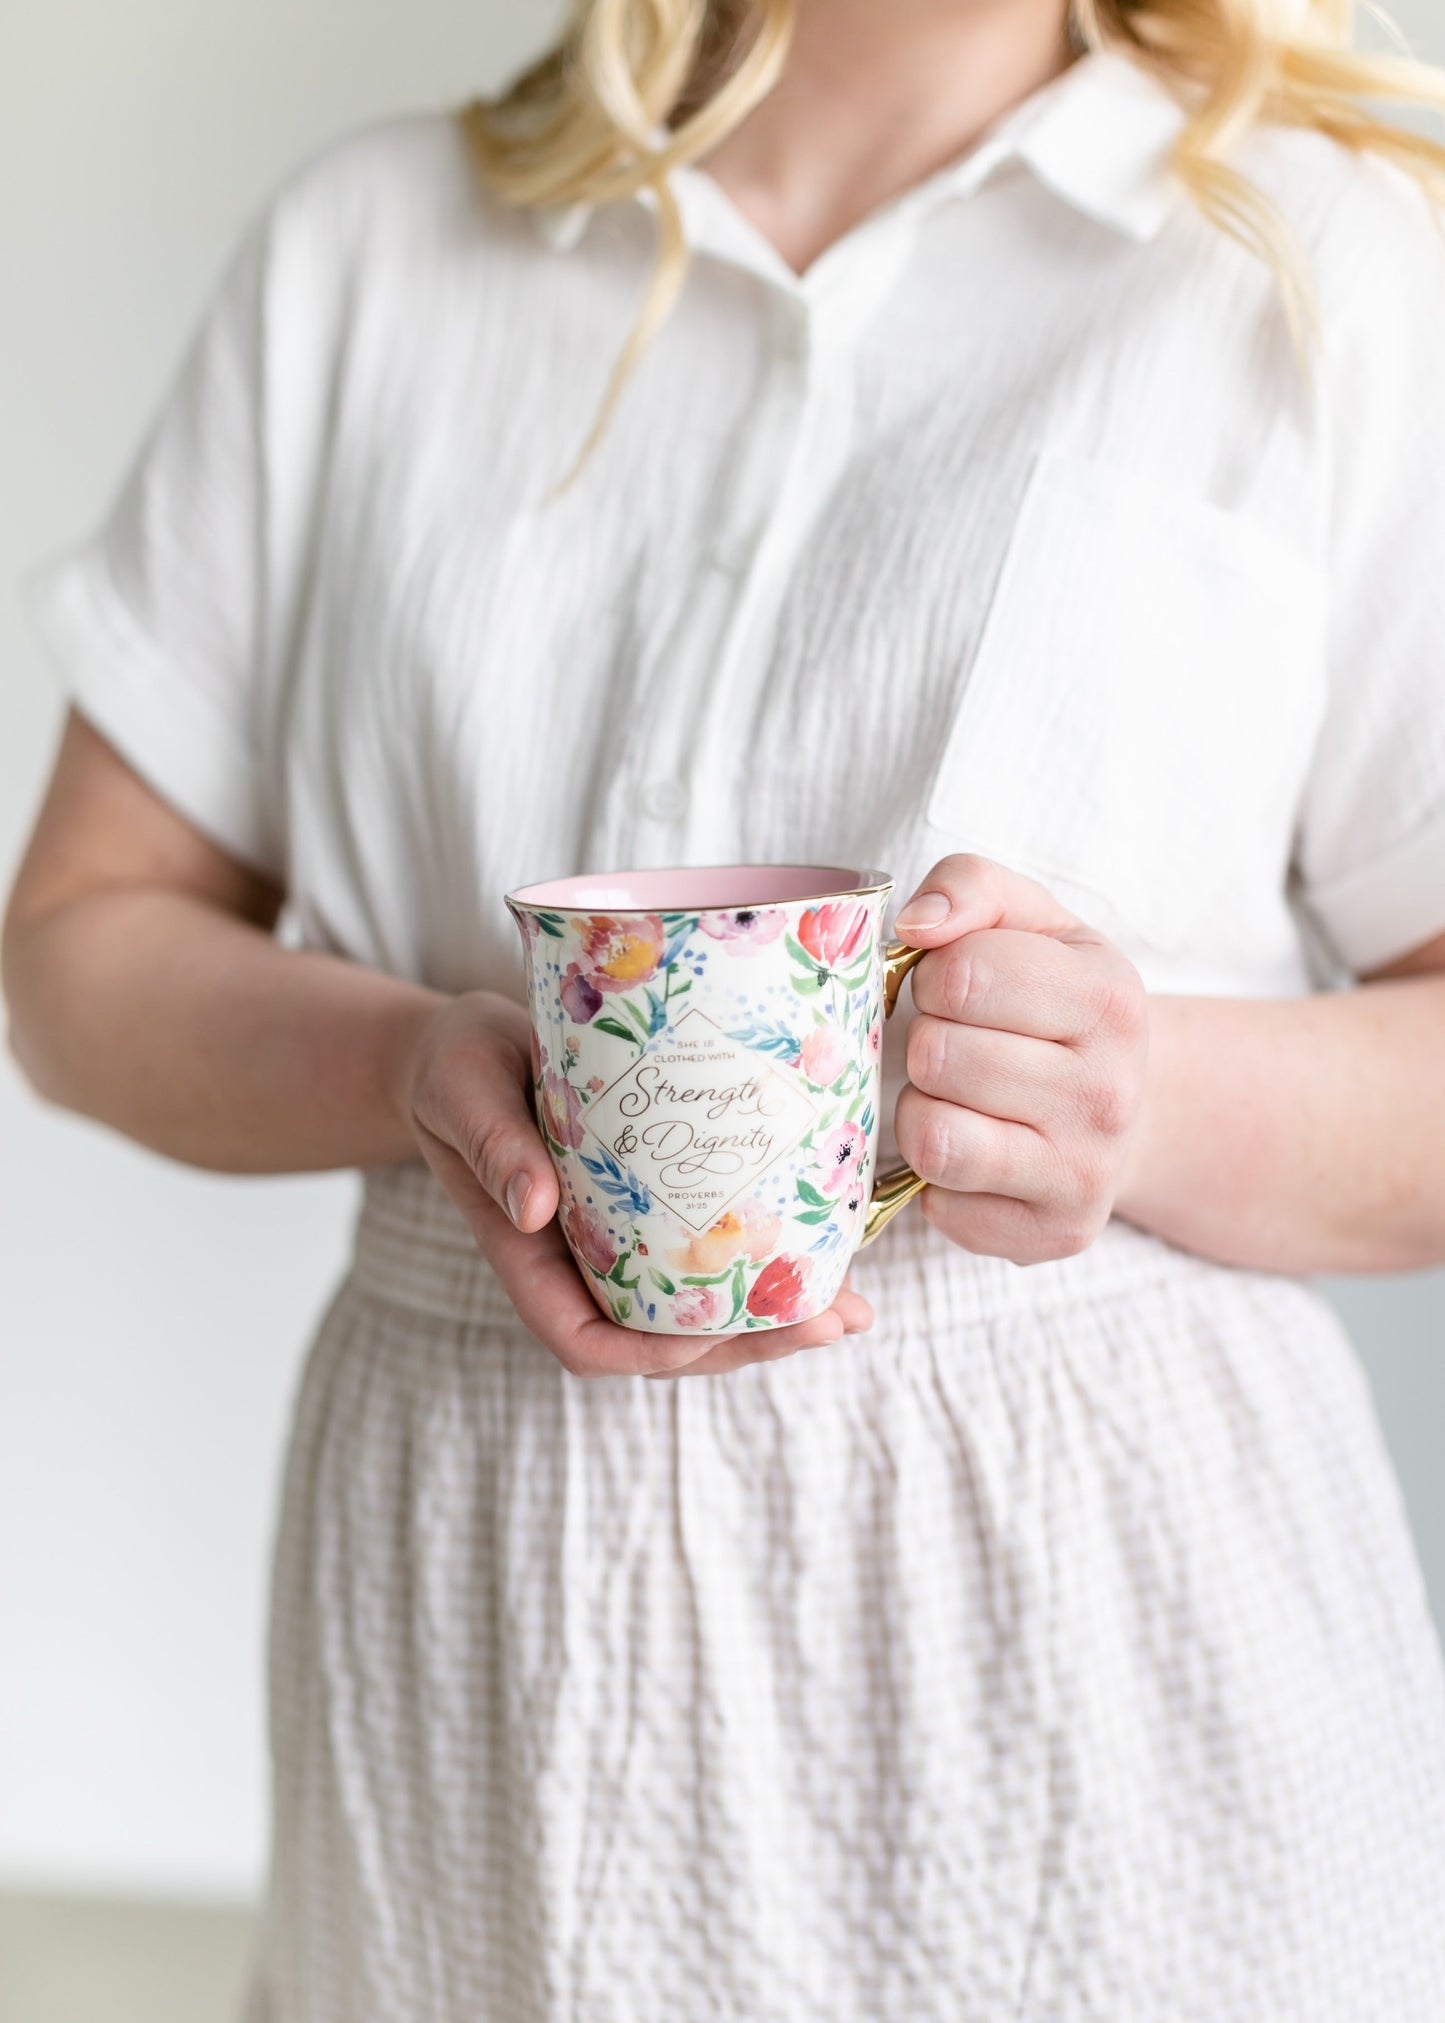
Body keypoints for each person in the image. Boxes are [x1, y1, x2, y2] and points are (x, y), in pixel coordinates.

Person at [6, 0, 1445, 2012]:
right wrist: (414, 1062)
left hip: (1102, 1684)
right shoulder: (374, 250)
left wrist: (1149, 1099)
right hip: (472, 1664)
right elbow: (78, 946)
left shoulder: (1339, 261)